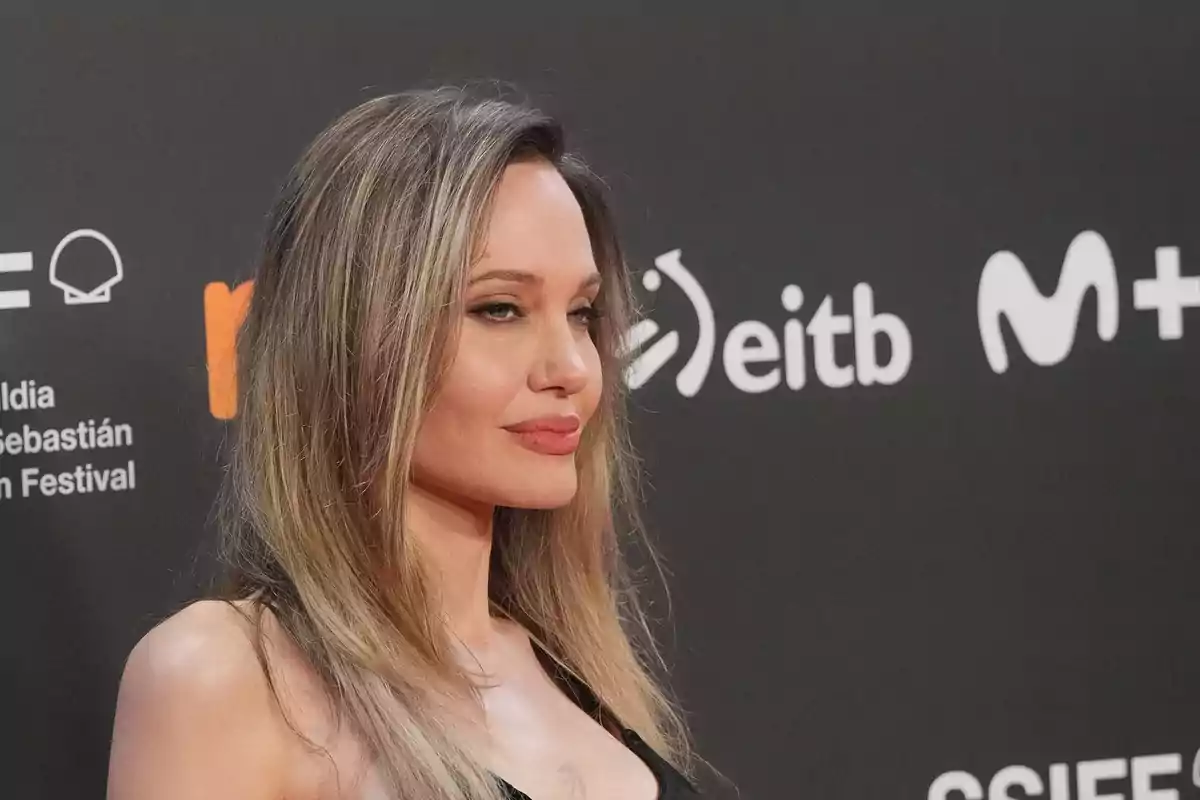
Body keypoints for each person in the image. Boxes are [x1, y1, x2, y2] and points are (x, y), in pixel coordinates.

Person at [106, 85, 704, 800]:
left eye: (581, 313)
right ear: (353, 339)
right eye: (499, 309)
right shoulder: (224, 679)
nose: (573, 369)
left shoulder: (569, 668)